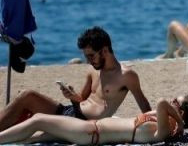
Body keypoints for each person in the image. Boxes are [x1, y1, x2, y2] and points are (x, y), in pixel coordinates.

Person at [0, 27, 151, 132]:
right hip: (70, 111)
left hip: (81, 125)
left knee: (29, 110)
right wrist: (72, 95)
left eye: (91, 56)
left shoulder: (126, 75)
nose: (88, 60)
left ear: (105, 50)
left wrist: (154, 125)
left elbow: (143, 103)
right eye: (86, 56)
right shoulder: (93, 70)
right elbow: (82, 98)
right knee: (26, 95)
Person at [0, 94, 188, 145]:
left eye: (175, 102)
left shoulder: (164, 130)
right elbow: (160, 106)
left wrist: (180, 123)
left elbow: (162, 102)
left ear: (180, 112)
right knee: (33, 138)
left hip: (90, 132)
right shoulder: (161, 122)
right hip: (90, 130)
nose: (171, 101)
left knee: (38, 119)